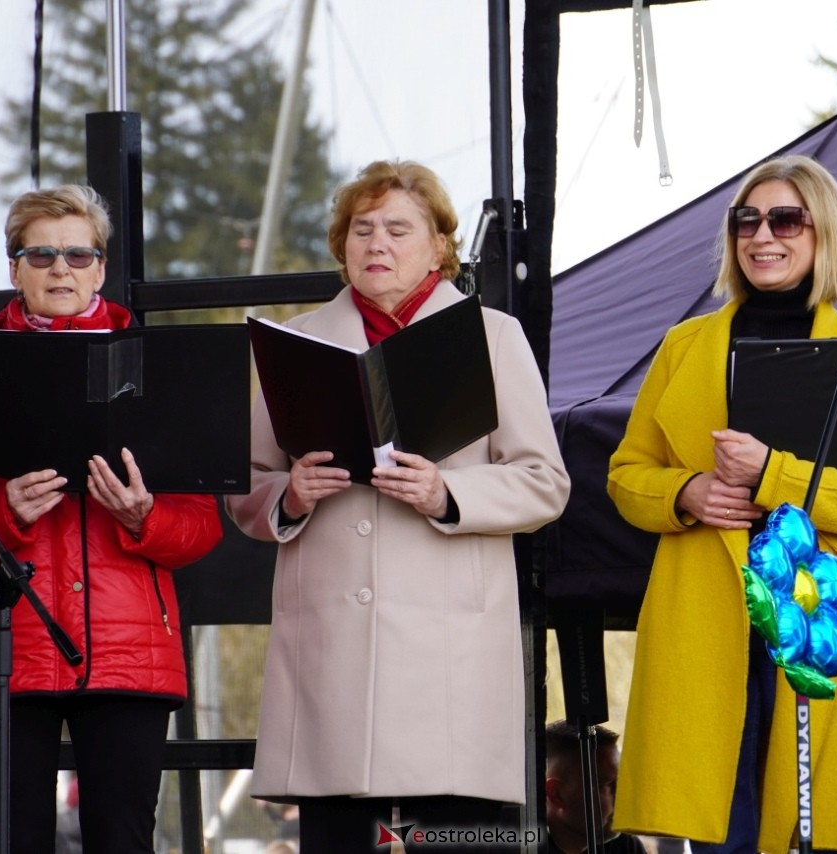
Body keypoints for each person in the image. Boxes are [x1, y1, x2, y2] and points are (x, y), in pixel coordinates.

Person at [226, 159, 570, 853]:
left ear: (439, 246)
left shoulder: (492, 335)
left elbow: (544, 481)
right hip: (332, 665)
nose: (375, 243)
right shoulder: (296, 342)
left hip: (449, 664)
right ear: (341, 244)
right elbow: (248, 487)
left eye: (397, 229)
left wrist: (449, 494)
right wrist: (290, 495)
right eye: (361, 229)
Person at [606, 155, 837, 854]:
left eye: (785, 219)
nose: (762, 235)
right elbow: (626, 474)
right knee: (724, 827)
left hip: (814, 616)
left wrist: (773, 474)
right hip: (708, 616)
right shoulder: (684, 348)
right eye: (746, 219)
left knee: (803, 825)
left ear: (823, 232)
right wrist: (686, 492)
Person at [0, 184, 224, 854]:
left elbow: (203, 529)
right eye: (42, 254)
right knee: (15, 841)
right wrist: (3, 513)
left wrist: (143, 517)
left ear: (101, 269)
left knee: (121, 839)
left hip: (129, 649)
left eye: (79, 255)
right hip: (6, 647)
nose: (61, 269)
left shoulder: (153, 372)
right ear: (14, 267)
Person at [543, 721, 646, 854]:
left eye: (622, 784)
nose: (622, 797)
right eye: (606, 785)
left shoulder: (624, 846)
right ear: (556, 794)